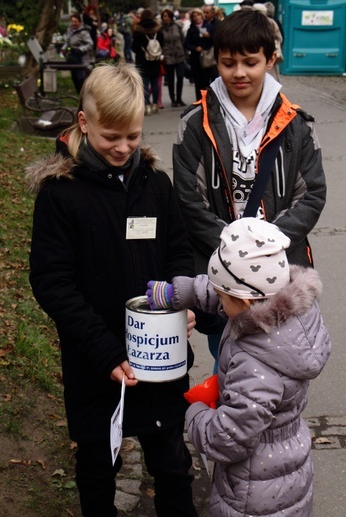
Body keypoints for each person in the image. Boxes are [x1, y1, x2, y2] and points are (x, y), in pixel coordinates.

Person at [27, 63, 198, 517]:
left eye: (134, 136)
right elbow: (51, 281)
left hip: (159, 357)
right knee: (99, 467)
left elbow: (179, 251)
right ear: (84, 123)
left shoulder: (156, 186)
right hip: (95, 361)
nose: (124, 148)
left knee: (173, 465)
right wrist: (104, 352)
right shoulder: (60, 195)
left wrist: (181, 301)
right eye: (111, 137)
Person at [146, 216, 332, 517]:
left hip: (254, 491)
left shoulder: (254, 362)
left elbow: (228, 438)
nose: (218, 300)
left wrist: (196, 415)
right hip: (287, 464)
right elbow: (226, 288)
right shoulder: (285, 308)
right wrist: (177, 293)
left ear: (245, 302)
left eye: (222, 297)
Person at [173, 9, 326, 371]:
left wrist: (265, 247)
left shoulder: (297, 126)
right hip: (223, 277)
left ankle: (277, 427)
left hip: (281, 271)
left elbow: (312, 195)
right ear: (217, 61)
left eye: (250, 62)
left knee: (285, 362)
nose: (239, 73)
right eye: (228, 63)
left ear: (270, 59)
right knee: (226, 361)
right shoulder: (195, 124)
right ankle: (229, 425)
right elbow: (188, 198)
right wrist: (233, 249)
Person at [132, 8, 164, 116]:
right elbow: (162, 43)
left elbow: (134, 47)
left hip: (142, 60)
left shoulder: (138, 30)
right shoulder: (158, 29)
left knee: (144, 83)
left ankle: (147, 106)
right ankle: (155, 104)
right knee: (155, 83)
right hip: (155, 59)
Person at [184, 8, 215, 100]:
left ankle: (207, 99)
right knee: (198, 82)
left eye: (198, 15)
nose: (197, 18)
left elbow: (216, 40)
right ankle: (200, 100)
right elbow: (186, 44)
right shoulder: (191, 29)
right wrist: (195, 48)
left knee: (206, 81)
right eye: (194, 16)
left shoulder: (209, 27)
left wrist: (209, 36)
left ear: (202, 16)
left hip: (207, 57)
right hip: (196, 58)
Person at [61, 13, 94, 94]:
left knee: (81, 78)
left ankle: (84, 94)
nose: (74, 23)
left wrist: (80, 49)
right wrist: (63, 48)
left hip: (81, 59)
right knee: (74, 77)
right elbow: (68, 42)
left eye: (75, 22)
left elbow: (90, 44)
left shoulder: (84, 32)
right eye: (72, 21)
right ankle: (78, 94)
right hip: (73, 58)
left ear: (79, 22)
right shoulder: (70, 30)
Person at [161, 8, 186, 107]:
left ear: (171, 17)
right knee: (170, 79)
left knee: (180, 76)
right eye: (164, 17)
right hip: (168, 56)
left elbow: (182, 39)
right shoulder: (161, 29)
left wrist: (184, 52)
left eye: (167, 16)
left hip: (179, 54)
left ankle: (179, 98)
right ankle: (173, 99)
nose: (165, 18)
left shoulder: (177, 26)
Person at [202, 4, 221, 82]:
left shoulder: (218, 23)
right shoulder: (202, 23)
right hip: (204, 53)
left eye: (207, 12)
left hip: (214, 54)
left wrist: (210, 36)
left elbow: (220, 38)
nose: (205, 14)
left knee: (214, 76)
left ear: (212, 13)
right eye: (204, 12)